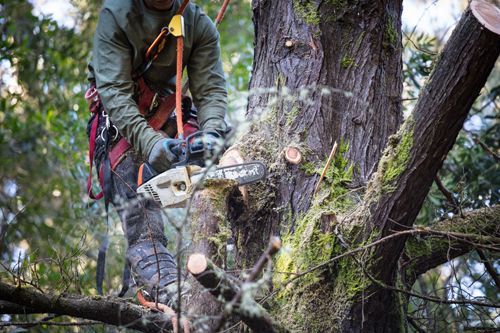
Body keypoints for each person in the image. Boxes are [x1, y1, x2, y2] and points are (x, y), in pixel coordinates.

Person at [87, 0, 227, 308]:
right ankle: (174, 295)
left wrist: (212, 134)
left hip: (171, 121)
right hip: (122, 130)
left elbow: (211, 90)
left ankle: (225, 254)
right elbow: (113, 93)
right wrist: (150, 144)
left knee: (218, 152)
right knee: (145, 232)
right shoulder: (118, 14)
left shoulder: (197, 25)